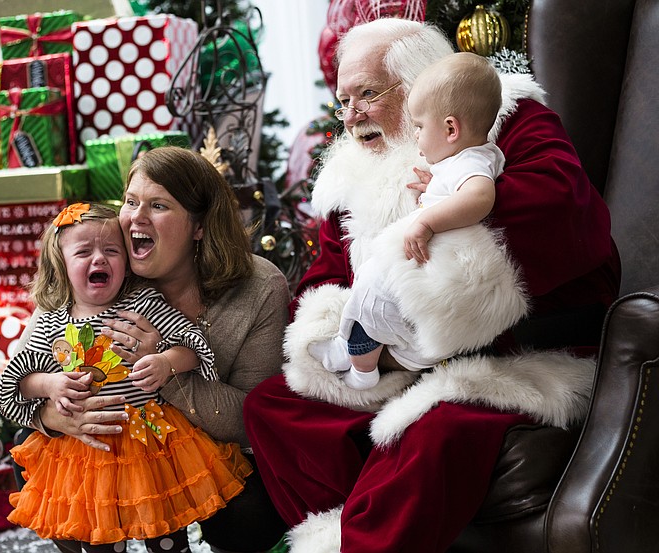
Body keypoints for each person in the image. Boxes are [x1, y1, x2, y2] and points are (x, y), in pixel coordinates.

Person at [243, 17, 620, 553]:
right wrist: (348, 343)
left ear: (422, 83)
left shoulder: (506, 118)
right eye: (342, 100)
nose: (350, 117)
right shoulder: (354, 173)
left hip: (511, 355)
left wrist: (425, 277)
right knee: (271, 406)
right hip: (381, 360)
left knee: (435, 430)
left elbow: (562, 208)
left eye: (367, 94)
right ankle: (344, 529)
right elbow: (327, 275)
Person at [5, 147, 290, 553]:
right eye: (131, 202)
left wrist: (163, 367)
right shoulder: (95, 277)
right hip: (111, 448)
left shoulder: (257, 287)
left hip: (205, 454)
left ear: (199, 225)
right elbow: (20, 376)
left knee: (247, 515)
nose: (135, 218)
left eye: (157, 205)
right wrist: (57, 416)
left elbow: (252, 421)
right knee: (34, 455)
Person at [341, 51, 508, 389]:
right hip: (434, 288)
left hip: (444, 281)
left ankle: (362, 364)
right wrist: (438, 189)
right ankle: (363, 353)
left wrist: (427, 221)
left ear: (450, 128)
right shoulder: (467, 159)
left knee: (372, 298)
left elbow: (479, 197)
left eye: (419, 126)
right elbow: (464, 191)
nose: (415, 135)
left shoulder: (470, 162)